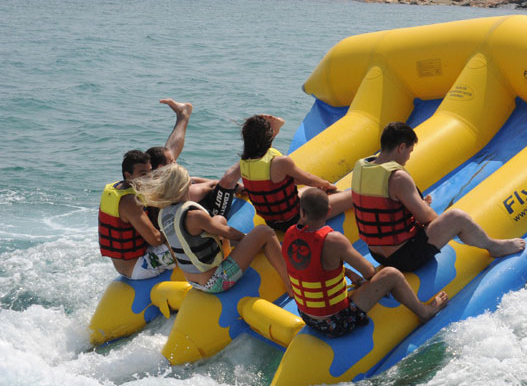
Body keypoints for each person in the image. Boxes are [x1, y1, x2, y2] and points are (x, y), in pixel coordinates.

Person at [351, 122, 526, 272]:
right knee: (458, 217)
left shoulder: (362, 167)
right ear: (401, 147)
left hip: (377, 254)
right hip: (403, 257)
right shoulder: (397, 177)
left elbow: (382, 205)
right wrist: (427, 212)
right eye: (409, 151)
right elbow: (428, 219)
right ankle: (494, 247)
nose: (408, 158)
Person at [283, 188, 448, 338]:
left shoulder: (290, 234)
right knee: (391, 274)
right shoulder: (334, 240)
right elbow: (369, 271)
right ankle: (424, 312)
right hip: (336, 321)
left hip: (306, 316)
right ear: (329, 211)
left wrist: (347, 272)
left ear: (301, 211)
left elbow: (311, 268)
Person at [134, 164, 291, 295]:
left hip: (193, 281)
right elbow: (229, 233)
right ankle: (291, 287)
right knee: (264, 232)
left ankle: (229, 255)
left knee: (219, 220)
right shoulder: (194, 216)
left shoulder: (164, 215)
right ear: (185, 186)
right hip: (217, 281)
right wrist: (252, 241)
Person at [220, 114, 352, 231]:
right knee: (352, 196)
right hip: (298, 218)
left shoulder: (244, 164)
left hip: (272, 222)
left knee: (313, 190)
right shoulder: (280, 162)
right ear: (270, 136)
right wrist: (327, 185)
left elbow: (282, 183)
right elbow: (308, 179)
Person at [97, 149, 175, 279]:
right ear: (128, 175)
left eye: (150, 171)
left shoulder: (114, 189)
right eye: (143, 173)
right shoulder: (130, 202)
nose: (149, 177)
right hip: (140, 267)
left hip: (123, 266)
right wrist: (174, 228)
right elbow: (156, 240)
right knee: (184, 237)